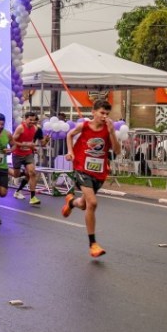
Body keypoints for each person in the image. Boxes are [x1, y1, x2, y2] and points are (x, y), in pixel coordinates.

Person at [62, 100, 120, 258]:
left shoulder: (109, 130)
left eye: (107, 114)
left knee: (84, 204)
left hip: (99, 172)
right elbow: (69, 134)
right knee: (93, 203)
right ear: (93, 112)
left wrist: (112, 133)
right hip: (81, 168)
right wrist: (71, 152)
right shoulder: (84, 126)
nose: (104, 116)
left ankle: (72, 202)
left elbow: (117, 151)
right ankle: (93, 244)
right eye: (102, 113)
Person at [10, 112, 43, 205]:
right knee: (16, 175)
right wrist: (24, 144)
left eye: (34, 120)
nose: (32, 122)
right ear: (25, 119)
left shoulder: (35, 128)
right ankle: (5, 169)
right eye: (30, 120)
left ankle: (33, 197)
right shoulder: (20, 128)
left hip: (28, 154)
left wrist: (32, 147)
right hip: (17, 154)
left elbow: (31, 141)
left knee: (32, 173)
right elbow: (12, 141)